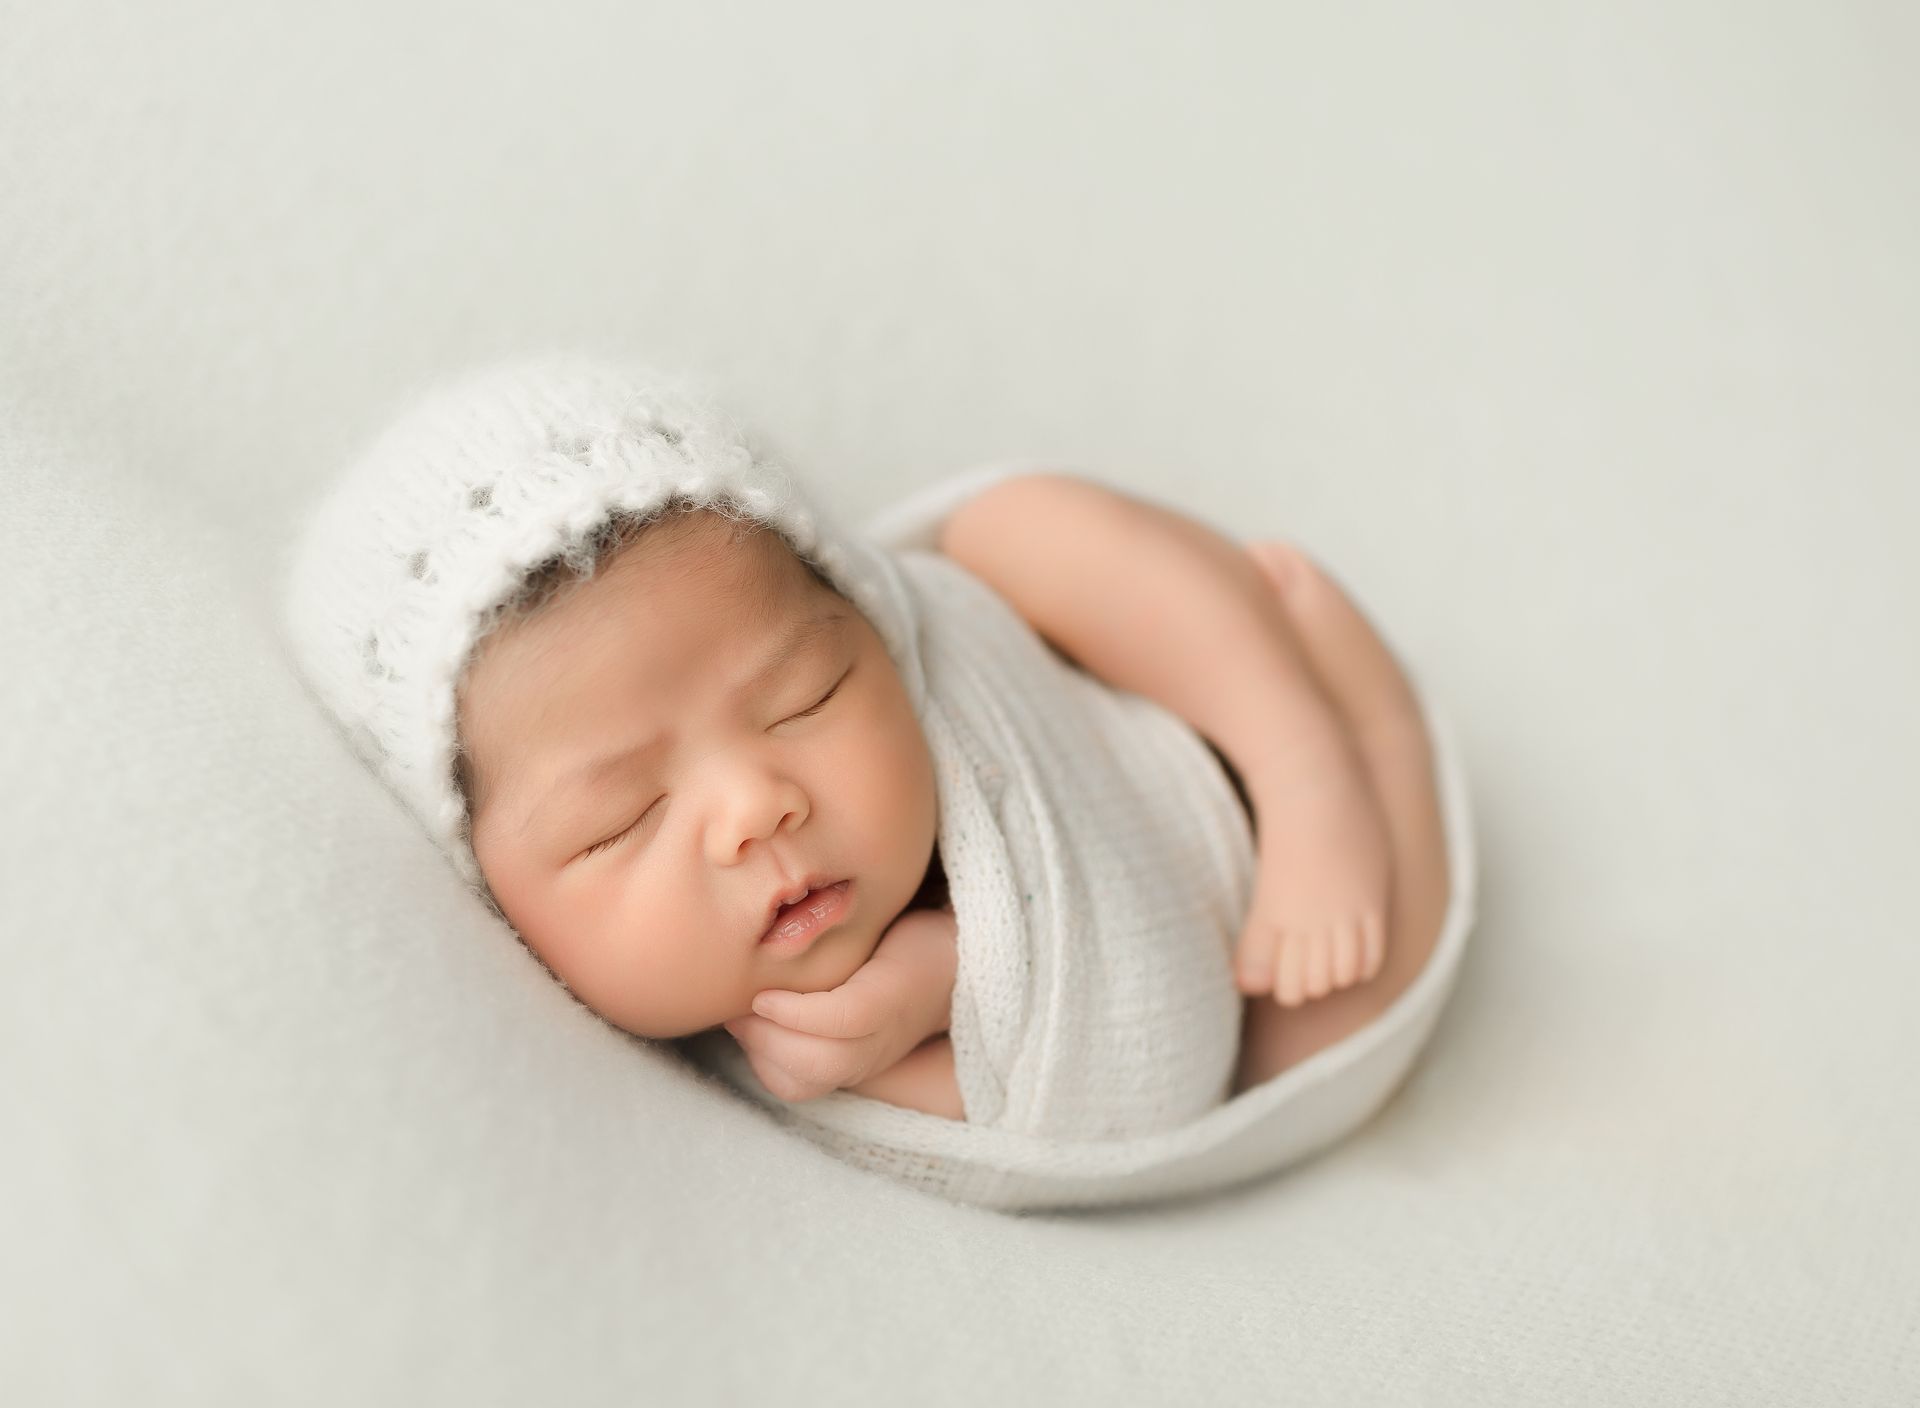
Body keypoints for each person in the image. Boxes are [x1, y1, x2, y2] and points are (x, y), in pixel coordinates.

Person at [281, 355, 1450, 1130]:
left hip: (1142, 710)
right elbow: (1146, 1084)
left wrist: (1279, 771)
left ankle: (1304, 756)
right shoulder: (795, 1057)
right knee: (1318, 1055)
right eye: (621, 818)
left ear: (867, 617)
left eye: (803, 694)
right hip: (1242, 973)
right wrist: (948, 989)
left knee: (1017, 525)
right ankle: (1382, 737)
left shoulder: (918, 635)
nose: (754, 805)